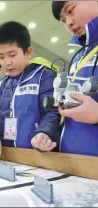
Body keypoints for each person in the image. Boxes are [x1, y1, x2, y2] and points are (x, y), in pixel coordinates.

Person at [0, 21, 61, 151]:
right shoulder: (3, 84)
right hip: (9, 153)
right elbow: (2, 120)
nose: (7, 62)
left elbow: (52, 112)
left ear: (28, 52)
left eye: (12, 55)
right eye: (1, 57)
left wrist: (45, 132)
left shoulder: (44, 75)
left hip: (36, 152)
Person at [52, 1, 98, 156]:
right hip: (72, 161)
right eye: (63, 20)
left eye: (71, 10)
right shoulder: (78, 57)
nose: (69, 23)